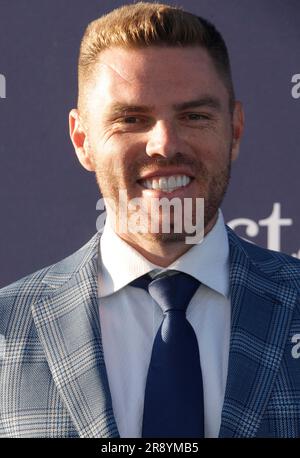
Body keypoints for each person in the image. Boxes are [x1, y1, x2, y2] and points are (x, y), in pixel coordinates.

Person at [0, 2, 300, 439]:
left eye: (194, 116)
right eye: (131, 119)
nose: (164, 144)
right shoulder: (7, 332)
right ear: (82, 140)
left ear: (233, 130)